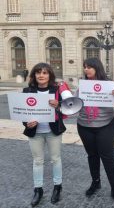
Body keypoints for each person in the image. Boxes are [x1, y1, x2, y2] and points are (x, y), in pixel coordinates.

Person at [76, 57, 114, 205]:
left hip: (105, 124)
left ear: (97, 67)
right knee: (92, 155)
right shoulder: (82, 86)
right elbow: (75, 103)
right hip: (84, 125)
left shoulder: (110, 85)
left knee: (108, 157)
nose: (86, 69)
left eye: (89, 67)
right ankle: (95, 182)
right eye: (84, 67)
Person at [22, 63, 66, 206]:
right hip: (35, 132)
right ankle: (38, 190)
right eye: (38, 73)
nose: (41, 75)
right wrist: (26, 123)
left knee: (55, 159)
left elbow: (68, 108)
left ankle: (57, 187)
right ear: (34, 75)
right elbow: (22, 112)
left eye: (45, 73)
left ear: (49, 75)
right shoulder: (27, 90)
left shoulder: (57, 89)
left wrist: (58, 105)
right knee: (37, 161)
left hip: (53, 131)